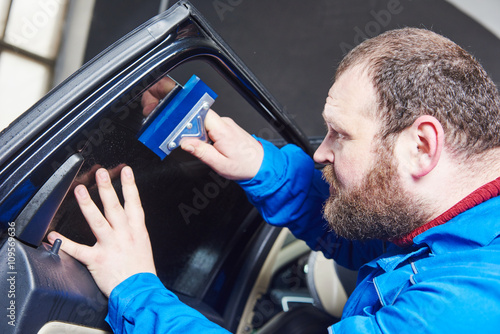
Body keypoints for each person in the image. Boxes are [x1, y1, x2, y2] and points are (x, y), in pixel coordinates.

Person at [47, 27, 500, 333]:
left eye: (340, 135)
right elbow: (373, 239)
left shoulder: (464, 307)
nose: (321, 151)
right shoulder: (458, 213)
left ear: (421, 146)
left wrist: (134, 288)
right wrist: (259, 163)